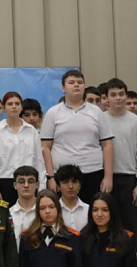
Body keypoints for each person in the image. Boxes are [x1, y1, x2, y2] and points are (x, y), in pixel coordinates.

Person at [41, 70, 114, 204]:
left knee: (94, 213)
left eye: (80, 83)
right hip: (62, 175)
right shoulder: (53, 113)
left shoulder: (96, 112)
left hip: (93, 172)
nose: (76, 85)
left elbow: (107, 145)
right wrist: (51, 177)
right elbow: (45, 147)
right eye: (71, 82)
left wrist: (108, 177)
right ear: (63, 88)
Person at [104, 78, 137, 233]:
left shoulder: (136, 121)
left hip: (129, 179)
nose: (118, 98)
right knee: (107, 223)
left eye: (121, 94)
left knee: (130, 224)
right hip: (106, 178)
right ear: (107, 98)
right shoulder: (100, 120)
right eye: (113, 94)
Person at [0, 92, 44, 206]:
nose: (14, 106)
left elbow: (39, 161)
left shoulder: (32, 131)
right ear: (4, 108)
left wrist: (42, 187)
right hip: (5, 181)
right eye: (10, 104)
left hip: (29, 180)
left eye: (17, 103)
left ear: (21, 107)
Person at [55, 164, 90, 232]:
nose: (70, 186)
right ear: (58, 187)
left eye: (74, 182)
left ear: (79, 186)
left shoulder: (88, 210)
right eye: (65, 182)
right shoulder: (54, 210)